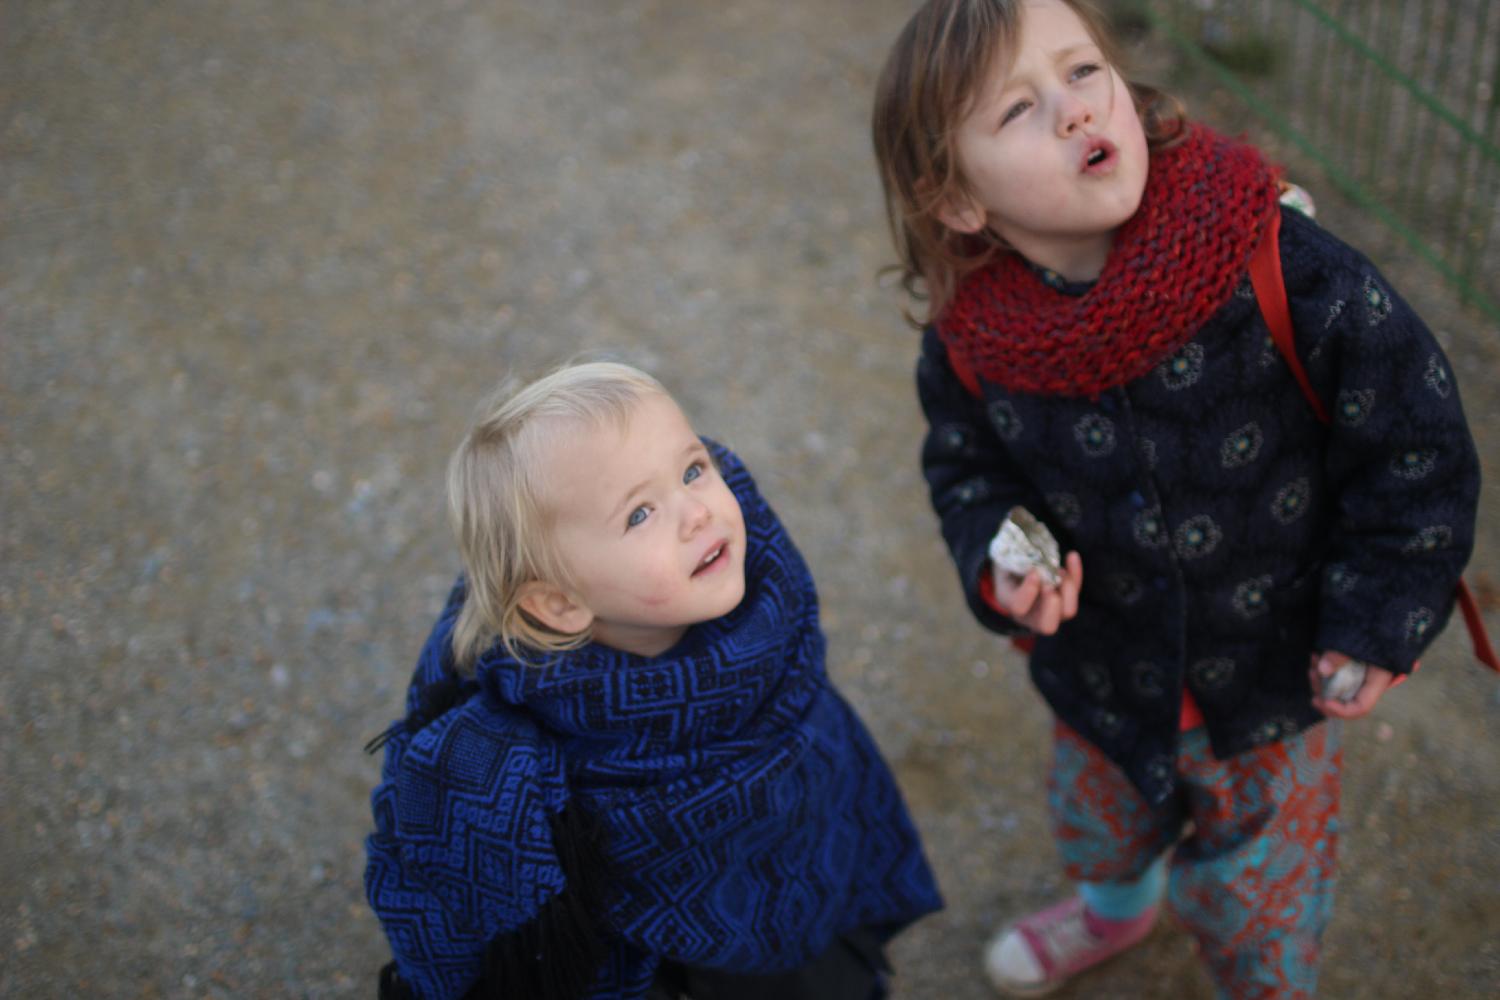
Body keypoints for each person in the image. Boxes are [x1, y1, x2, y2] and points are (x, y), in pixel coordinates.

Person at [870, 1, 1481, 996]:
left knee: (1260, 896)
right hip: (1102, 674)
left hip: (1275, 683)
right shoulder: (974, 337)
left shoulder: (1284, 267)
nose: (1073, 110)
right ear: (956, 200)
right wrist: (999, 550)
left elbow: (1415, 448)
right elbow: (966, 466)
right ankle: (1116, 915)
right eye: (1020, 108)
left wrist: (1380, 617)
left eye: (1081, 71)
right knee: (1101, 825)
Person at [362, 362, 942, 1000]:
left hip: (807, 870)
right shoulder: (524, 758)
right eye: (639, 514)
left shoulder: (773, 607)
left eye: (693, 470)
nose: (696, 512)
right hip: (686, 966)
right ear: (558, 605)